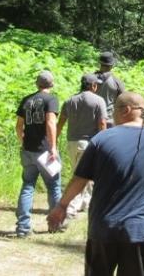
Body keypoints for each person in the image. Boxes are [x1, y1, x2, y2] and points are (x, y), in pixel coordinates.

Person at [48, 93, 144, 276]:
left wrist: (62, 206)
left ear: (126, 110)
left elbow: (79, 180)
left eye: (113, 110)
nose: (111, 115)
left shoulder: (101, 140)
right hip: (141, 232)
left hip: (103, 229)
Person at [14, 71, 61, 237]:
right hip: (44, 151)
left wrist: (23, 141)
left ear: (37, 84)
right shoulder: (51, 100)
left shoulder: (27, 100)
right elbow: (50, 123)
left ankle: (23, 227)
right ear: (52, 84)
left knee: (27, 186)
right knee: (54, 186)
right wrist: (53, 147)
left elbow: (19, 126)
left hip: (28, 150)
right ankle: (56, 224)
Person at [56, 73, 108, 219]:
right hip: (89, 144)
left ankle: (86, 203)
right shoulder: (99, 101)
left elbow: (61, 122)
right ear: (92, 85)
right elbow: (102, 123)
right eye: (96, 84)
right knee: (81, 177)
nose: (97, 86)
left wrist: (53, 141)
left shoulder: (70, 100)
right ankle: (71, 210)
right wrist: (104, 142)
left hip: (72, 142)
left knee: (80, 174)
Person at [94, 50, 126, 121]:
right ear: (112, 65)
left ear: (100, 64)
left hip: (91, 117)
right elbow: (123, 101)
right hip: (108, 119)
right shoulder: (117, 82)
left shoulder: (90, 79)